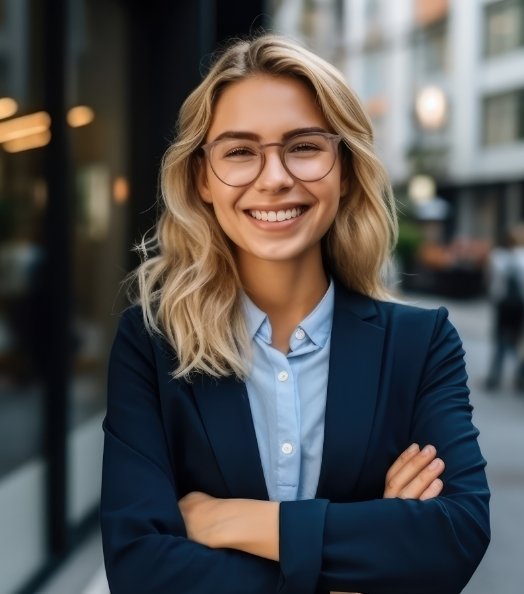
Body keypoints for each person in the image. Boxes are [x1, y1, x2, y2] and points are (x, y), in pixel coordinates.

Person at [100, 33, 490, 594]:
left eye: (304, 146)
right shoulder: (152, 343)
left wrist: (234, 522)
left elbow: (454, 536)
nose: (276, 177)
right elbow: (141, 569)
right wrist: (363, 551)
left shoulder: (420, 344)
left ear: (345, 169)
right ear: (202, 179)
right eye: (239, 151)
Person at [484, 223, 524, 392]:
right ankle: (523, 377)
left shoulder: (498, 256)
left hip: (502, 304)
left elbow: (490, 282)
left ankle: (494, 376)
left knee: (500, 339)